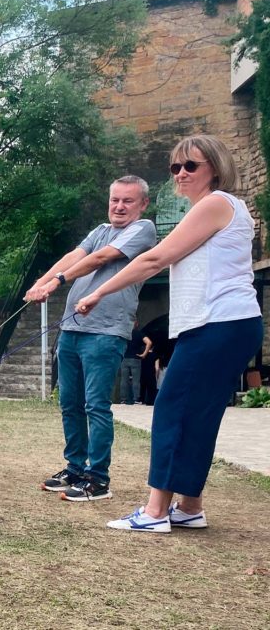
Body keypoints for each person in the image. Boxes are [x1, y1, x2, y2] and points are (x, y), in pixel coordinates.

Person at [76, 135, 262, 532]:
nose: (180, 173)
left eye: (190, 166)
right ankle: (190, 506)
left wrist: (98, 292)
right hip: (228, 324)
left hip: (220, 323)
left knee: (172, 409)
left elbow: (156, 258)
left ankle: (156, 511)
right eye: (174, 167)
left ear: (214, 167)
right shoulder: (224, 209)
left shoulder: (215, 203)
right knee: (198, 415)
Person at [25, 175, 156, 502]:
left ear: (143, 204)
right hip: (71, 330)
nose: (120, 206)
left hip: (105, 331)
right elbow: (76, 254)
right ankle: (74, 468)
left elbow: (100, 258)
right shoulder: (100, 230)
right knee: (69, 403)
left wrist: (57, 281)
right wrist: (40, 282)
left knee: (95, 405)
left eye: (128, 201)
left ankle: (97, 479)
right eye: (115, 200)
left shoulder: (144, 229)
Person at [118, 321, 152, 405]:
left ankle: (123, 399)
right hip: (135, 359)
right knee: (136, 380)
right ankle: (136, 399)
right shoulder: (139, 334)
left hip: (124, 358)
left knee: (124, 380)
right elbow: (149, 342)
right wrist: (144, 354)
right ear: (136, 324)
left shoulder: (124, 333)